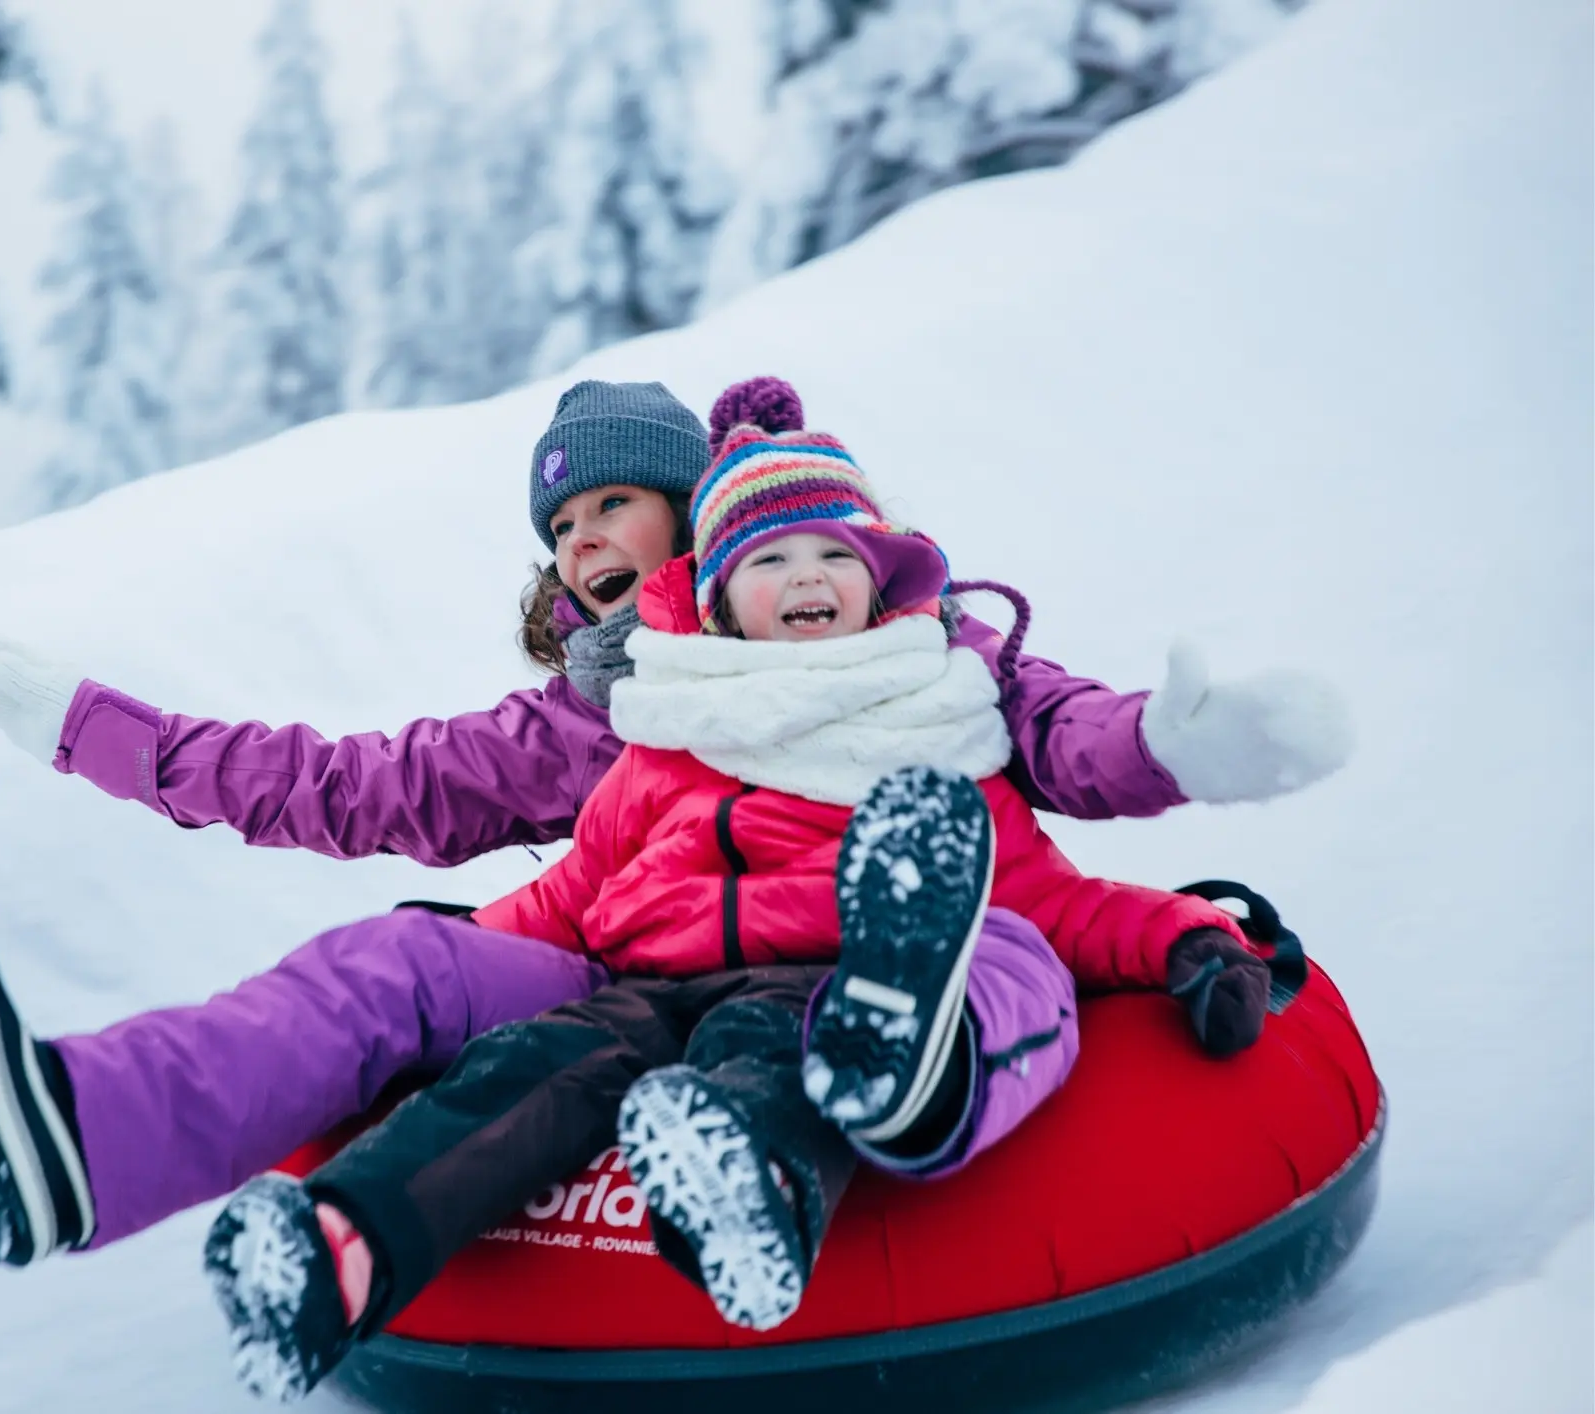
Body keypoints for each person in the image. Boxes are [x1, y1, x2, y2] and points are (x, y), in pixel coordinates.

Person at [0, 377, 1350, 1267]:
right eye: (561, 531)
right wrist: (100, 732)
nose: (585, 543)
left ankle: (890, 1074)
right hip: (629, 973)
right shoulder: (605, 715)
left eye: (617, 502)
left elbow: (1060, 739)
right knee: (398, 963)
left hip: (844, 962)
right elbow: (350, 786)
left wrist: (1177, 744)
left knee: (991, 958)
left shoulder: (925, 654)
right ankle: (82, 1135)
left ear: (703, 520)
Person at [195, 417, 1312, 1403]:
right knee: (530, 1066)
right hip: (643, 985)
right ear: (719, 601)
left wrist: (1184, 934)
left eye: (836, 554)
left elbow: (1041, 899)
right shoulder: (669, 731)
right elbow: (575, 892)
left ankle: (756, 1183)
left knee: (760, 1048)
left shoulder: (932, 718)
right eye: (771, 558)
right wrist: (447, 965)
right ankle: (337, 1250)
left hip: (818, 974)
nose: (809, 575)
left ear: (882, 586)